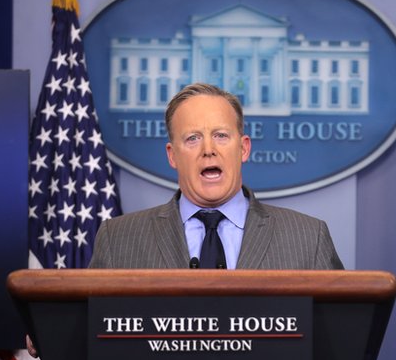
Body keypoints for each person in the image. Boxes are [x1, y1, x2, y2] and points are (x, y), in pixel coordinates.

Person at [88, 83, 343, 270]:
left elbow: (337, 337)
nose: (208, 149)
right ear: (172, 155)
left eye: (221, 136)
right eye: (193, 138)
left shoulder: (308, 238)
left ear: (243, 148)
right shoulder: (118, 239)